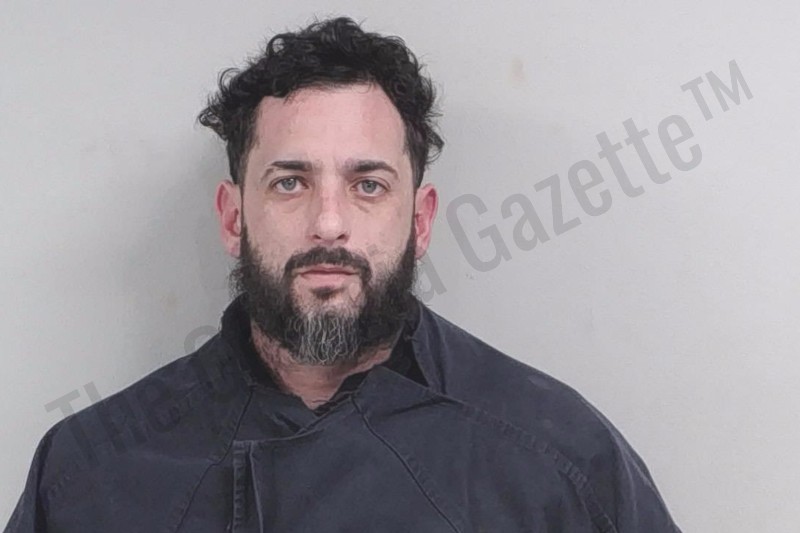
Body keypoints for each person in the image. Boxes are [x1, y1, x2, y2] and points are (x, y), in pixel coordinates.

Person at [5, 16, 682, 532]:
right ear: (233, 217)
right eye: (290, 182)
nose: (328, 223)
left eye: (368, 185)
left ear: (420, 219)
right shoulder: (87, 473)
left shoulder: (560, 460)